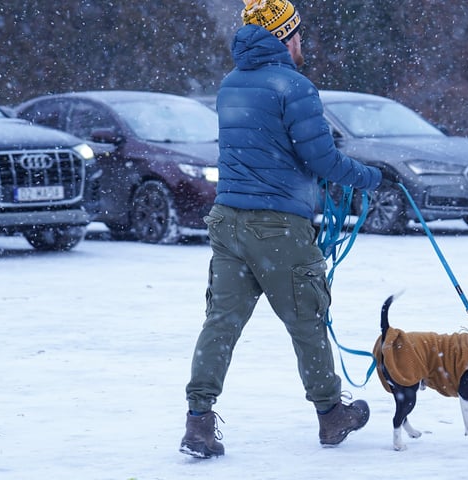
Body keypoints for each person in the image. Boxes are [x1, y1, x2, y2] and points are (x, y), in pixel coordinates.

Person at [179, 0, 382, 459]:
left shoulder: (230, 85)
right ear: (285, 37)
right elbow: (322, 160)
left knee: (221, 323)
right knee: (307, 322)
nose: (302, 42)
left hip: (227, 220)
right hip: (279, 227)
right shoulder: (295, 86)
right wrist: (370, 177)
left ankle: (198, 421)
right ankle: (331, 415)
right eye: (298, 34)